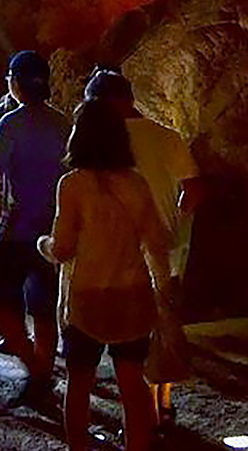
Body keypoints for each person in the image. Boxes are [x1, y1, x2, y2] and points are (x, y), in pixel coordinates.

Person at [38, 98, 172, 451]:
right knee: (134, 391)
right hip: (132, 297)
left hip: (88, 300)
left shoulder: (73, 184)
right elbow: (158, 243)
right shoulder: (136, 183)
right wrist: (165, 289)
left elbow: (61, 249)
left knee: (79, 385)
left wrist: (42, 245)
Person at [83, 67, 200, 428]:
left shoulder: (102, 144)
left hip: (120, 256)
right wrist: (177, 225)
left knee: (132, 341)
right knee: (162, 330)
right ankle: (162, 405)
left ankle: (146, 415)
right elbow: (194, 189)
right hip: (165, 250)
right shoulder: (166, 136)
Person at [0, 49, 68, 409]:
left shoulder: (10, 123)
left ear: (16, 82)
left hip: (17, 228)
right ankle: (41, 374)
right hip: (54, 227)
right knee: (44, 306)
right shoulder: (63, 123)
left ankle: (36, 368)